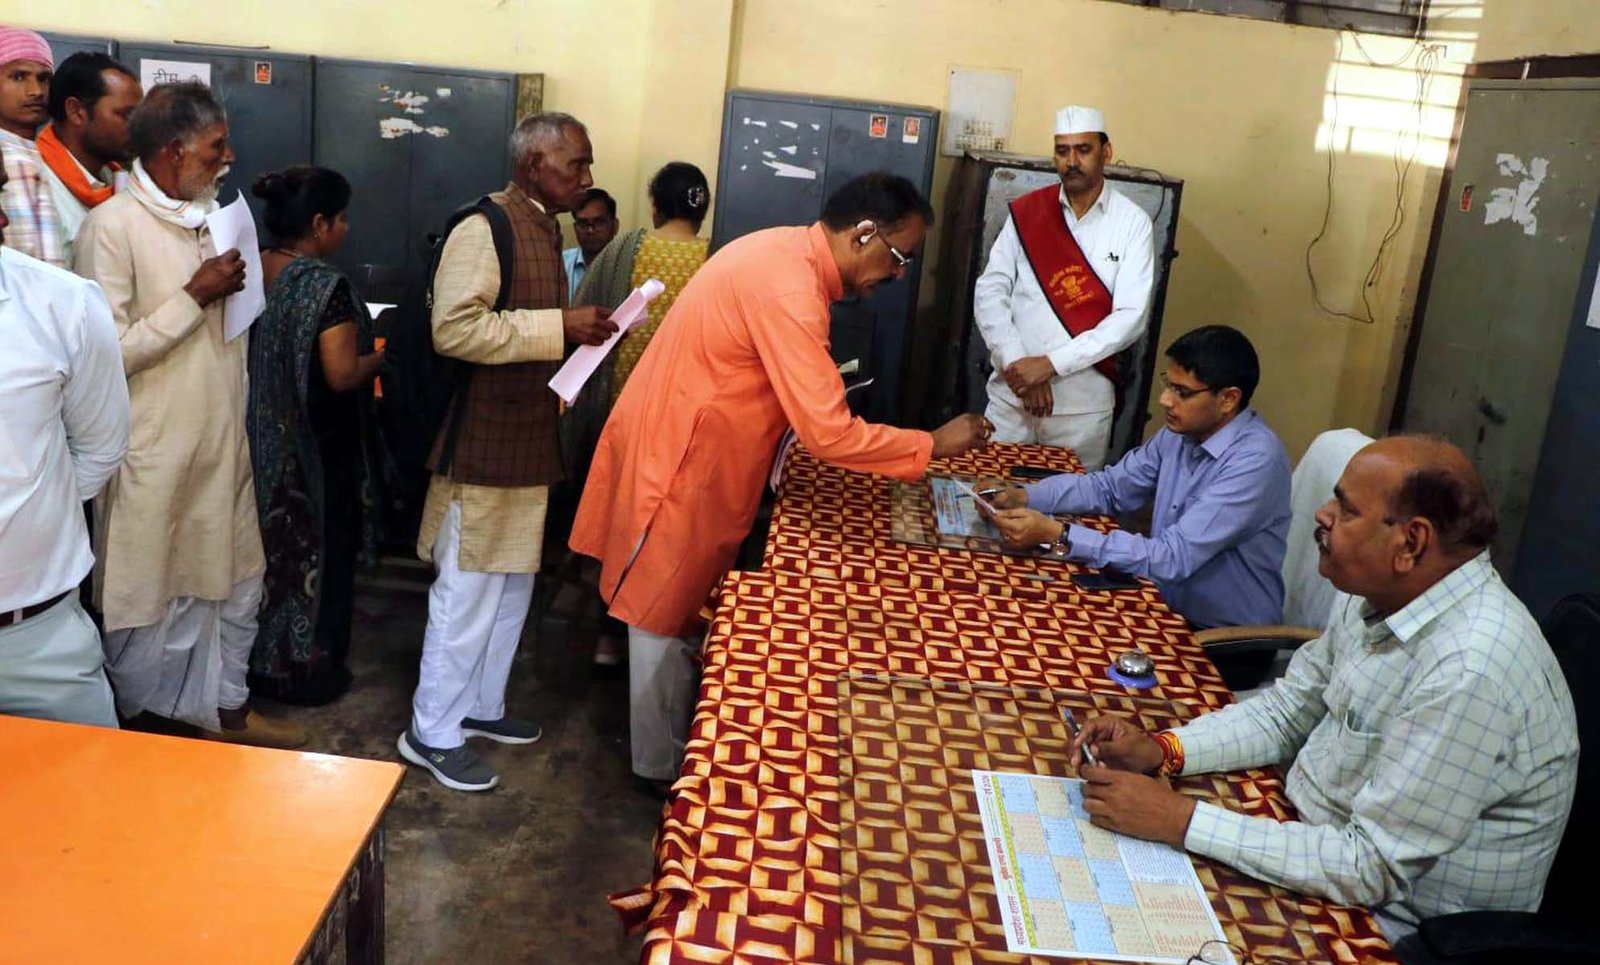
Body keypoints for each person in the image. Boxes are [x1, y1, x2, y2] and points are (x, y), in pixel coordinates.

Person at [570, 172, 994, 792]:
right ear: (864, 233)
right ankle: (662, 771)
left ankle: (678, 744)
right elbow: (830, 433)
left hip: (696, 446)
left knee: (677, 609)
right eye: (899, 257)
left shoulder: (782, 251)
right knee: (659, 613)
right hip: (681, 460)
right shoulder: (791, 287)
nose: (899, 275)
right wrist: (933, 444)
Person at [1066, 436, 1578, 947]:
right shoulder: (1382, 594)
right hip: (1307, 837)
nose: (1322, 514)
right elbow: (1288, 711)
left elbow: (1370, 867)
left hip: (1393, 928)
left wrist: (1180, 820)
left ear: (1411, 543)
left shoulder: (1470, 668)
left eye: (1346, 509)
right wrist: (1164, 750)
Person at [73, 82, 305, 748]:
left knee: (236, 584)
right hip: (154, 455)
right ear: (174, 151)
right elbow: (106, 356)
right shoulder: (111, 228)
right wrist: (192, 297)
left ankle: (226, 710)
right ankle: (147, 735)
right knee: (150, 600)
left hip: (222, 443)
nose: (228, 158)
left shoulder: (213, 220)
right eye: (215, 146)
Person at [398, 112, 616, 792]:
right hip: (484, 443)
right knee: (467, 592)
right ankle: (431, 731)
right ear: (532, 166)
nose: (586, 177)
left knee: (511, 587)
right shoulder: (484, 225)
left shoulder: (543, 225)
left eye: (586, 163)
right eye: (575, 164)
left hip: (527, 438)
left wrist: (573, 342)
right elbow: (455, 329)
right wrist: (560, 327)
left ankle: (481, 707)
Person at [988, 325, 1291, 639]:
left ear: (1228, 399)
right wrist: (1023, 496)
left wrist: (1059, 534)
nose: (1165, 400)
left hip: (1222, 637)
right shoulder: (1180, 434)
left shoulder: (1255, 462)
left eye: (1182, 392)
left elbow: (1172, 558)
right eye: (1167, 384)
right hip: (1164, 607)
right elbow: (1109, 488)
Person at [246, 166, 384, 706]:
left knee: (262, 558)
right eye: (342, 219)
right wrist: (382, 357)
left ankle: (255, 667)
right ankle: (308, 672)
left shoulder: (250, 268)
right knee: (318, 556)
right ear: (320, 223)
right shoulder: (327, 286)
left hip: (256, 440)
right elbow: (341, 374)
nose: (346, 229)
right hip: (316, 452)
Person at [570, 160, 712, 668]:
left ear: (654, 205)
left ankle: (608, 638)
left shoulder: (626, 249)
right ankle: (667, 636)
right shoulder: (716, 258)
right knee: (670, 535)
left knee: (618, 528)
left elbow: (583, 313)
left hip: (623, 415)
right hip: (687, 424)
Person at [0, 165, 128, 728]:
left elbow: (101, 446)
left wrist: (33, 514)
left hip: (39, 641)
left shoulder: (64, 304)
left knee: (90, 783)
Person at [973, 105, 1155, 470]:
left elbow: (1130, 317)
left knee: (1072, 500)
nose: (1072, 161)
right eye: (1062, 150)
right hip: (1013, 397)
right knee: (990, 490)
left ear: (1106, 152)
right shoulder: (1030, 212)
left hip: (1081, 410)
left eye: (1083, 150)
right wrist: (1019, 365)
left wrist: (1050, 365)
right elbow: (990, 290)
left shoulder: (1132, 224)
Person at [37, 51, 140, 264]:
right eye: (127, 115)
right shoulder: (38, 186)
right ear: (76, 111)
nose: (138, 127)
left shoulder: (119, 178)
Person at [0, 28, 61, 266]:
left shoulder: (41, 155)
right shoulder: (11, 159)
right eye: (18, 77)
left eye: (44, 79)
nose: (36, 91)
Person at [562, 186, 617, 302]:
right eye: (583, 223)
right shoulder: (561, 264)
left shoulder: (628, 266)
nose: (590, 230)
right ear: (575, 228)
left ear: (615, 226)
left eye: (599, 222)